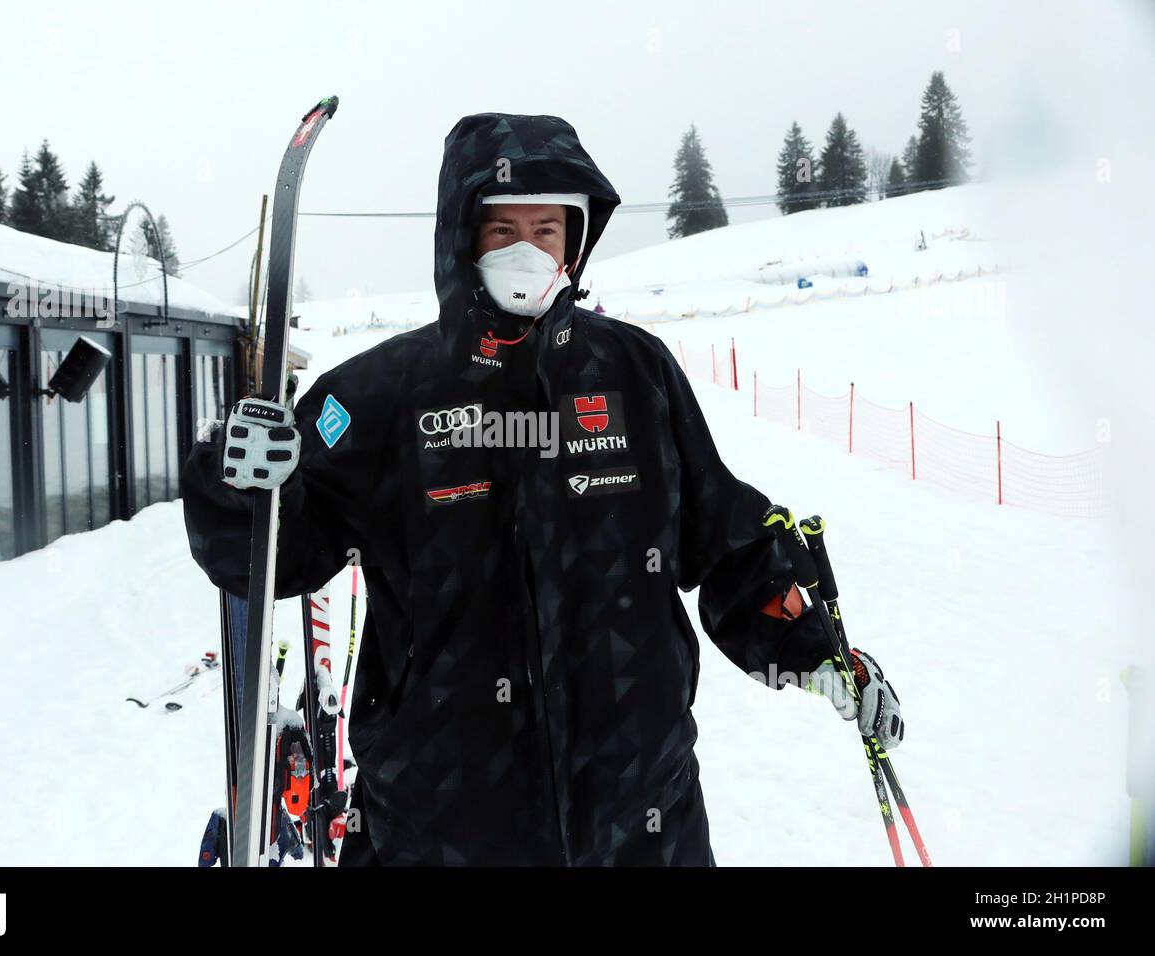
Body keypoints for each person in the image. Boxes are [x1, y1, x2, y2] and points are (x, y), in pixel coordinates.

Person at [181, 113, 903, 866]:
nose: (527, 251)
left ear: (575, 243)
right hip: (438, 834)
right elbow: (274, 558)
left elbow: (727, 541)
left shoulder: (634, 373)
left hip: (641, 825)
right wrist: (243, 485)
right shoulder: (379, 395)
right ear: (462, 240)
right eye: (502, 230)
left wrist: (813, 650)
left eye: (547, 230)